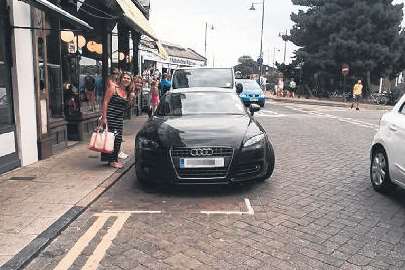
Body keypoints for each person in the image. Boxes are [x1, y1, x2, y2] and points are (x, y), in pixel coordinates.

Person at [100, 71, 132, 168]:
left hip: (119, 118)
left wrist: (131, 99)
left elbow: (126, 108)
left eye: (128, 79)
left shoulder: (127, 92)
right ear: (121, 78)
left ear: (130, 81)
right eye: (125, 78)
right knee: (110, 139)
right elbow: (105, 102)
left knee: (117, 140)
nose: (126, 80)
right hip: (110, 117)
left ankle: (113, 159)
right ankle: (112, 161)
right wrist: (104, 118)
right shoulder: (113, 88)